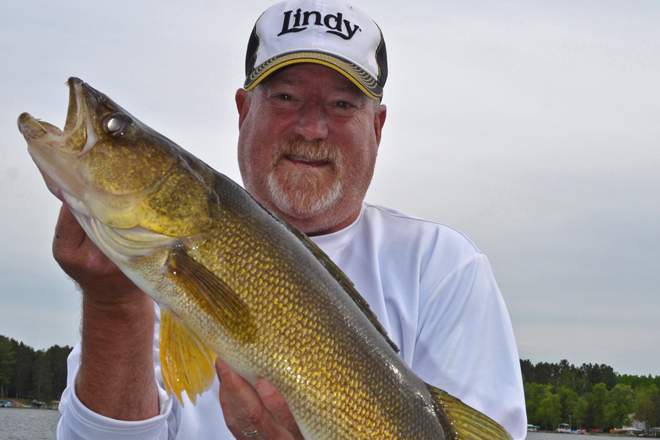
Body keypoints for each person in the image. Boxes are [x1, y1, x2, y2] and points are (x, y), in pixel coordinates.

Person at [56, 0, 527, 439]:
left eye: (342, 104)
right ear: (244, 113)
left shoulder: (443, 267)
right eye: (284, 96)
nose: (311, 127)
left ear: (377, 127)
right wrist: (112, 307)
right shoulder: (139, 268)